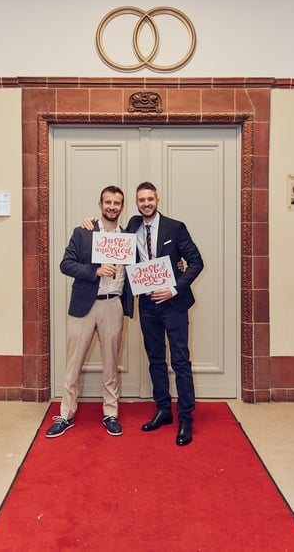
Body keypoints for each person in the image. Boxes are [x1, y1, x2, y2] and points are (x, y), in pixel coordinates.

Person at [82, 182, 204, 446]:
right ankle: (163, 410)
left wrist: (174, 288)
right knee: (155, 359)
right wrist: (89, 225)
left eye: (150, 199)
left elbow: (196, 262)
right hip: (147, 306)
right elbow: (108, 239)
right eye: (141, 200)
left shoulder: (175, 227)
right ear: (136, 204)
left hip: (173, 304)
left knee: (181, 360)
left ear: (157, 199)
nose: (146, 203)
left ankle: (185, 417)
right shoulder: (133, 227)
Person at [46, 185, 132, 438]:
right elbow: (65, 264)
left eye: (117, 203)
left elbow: (145, 263)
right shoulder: (83, 232)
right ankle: (66, 414)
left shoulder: (128, 237)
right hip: (85, 304)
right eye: (108, 202)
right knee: (73, 364)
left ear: (122, 207)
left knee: (110, 364)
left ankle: (110, 413)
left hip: (113, 305)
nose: (112, 207)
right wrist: (94, 271)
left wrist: (177, 265)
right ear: (100, 204)